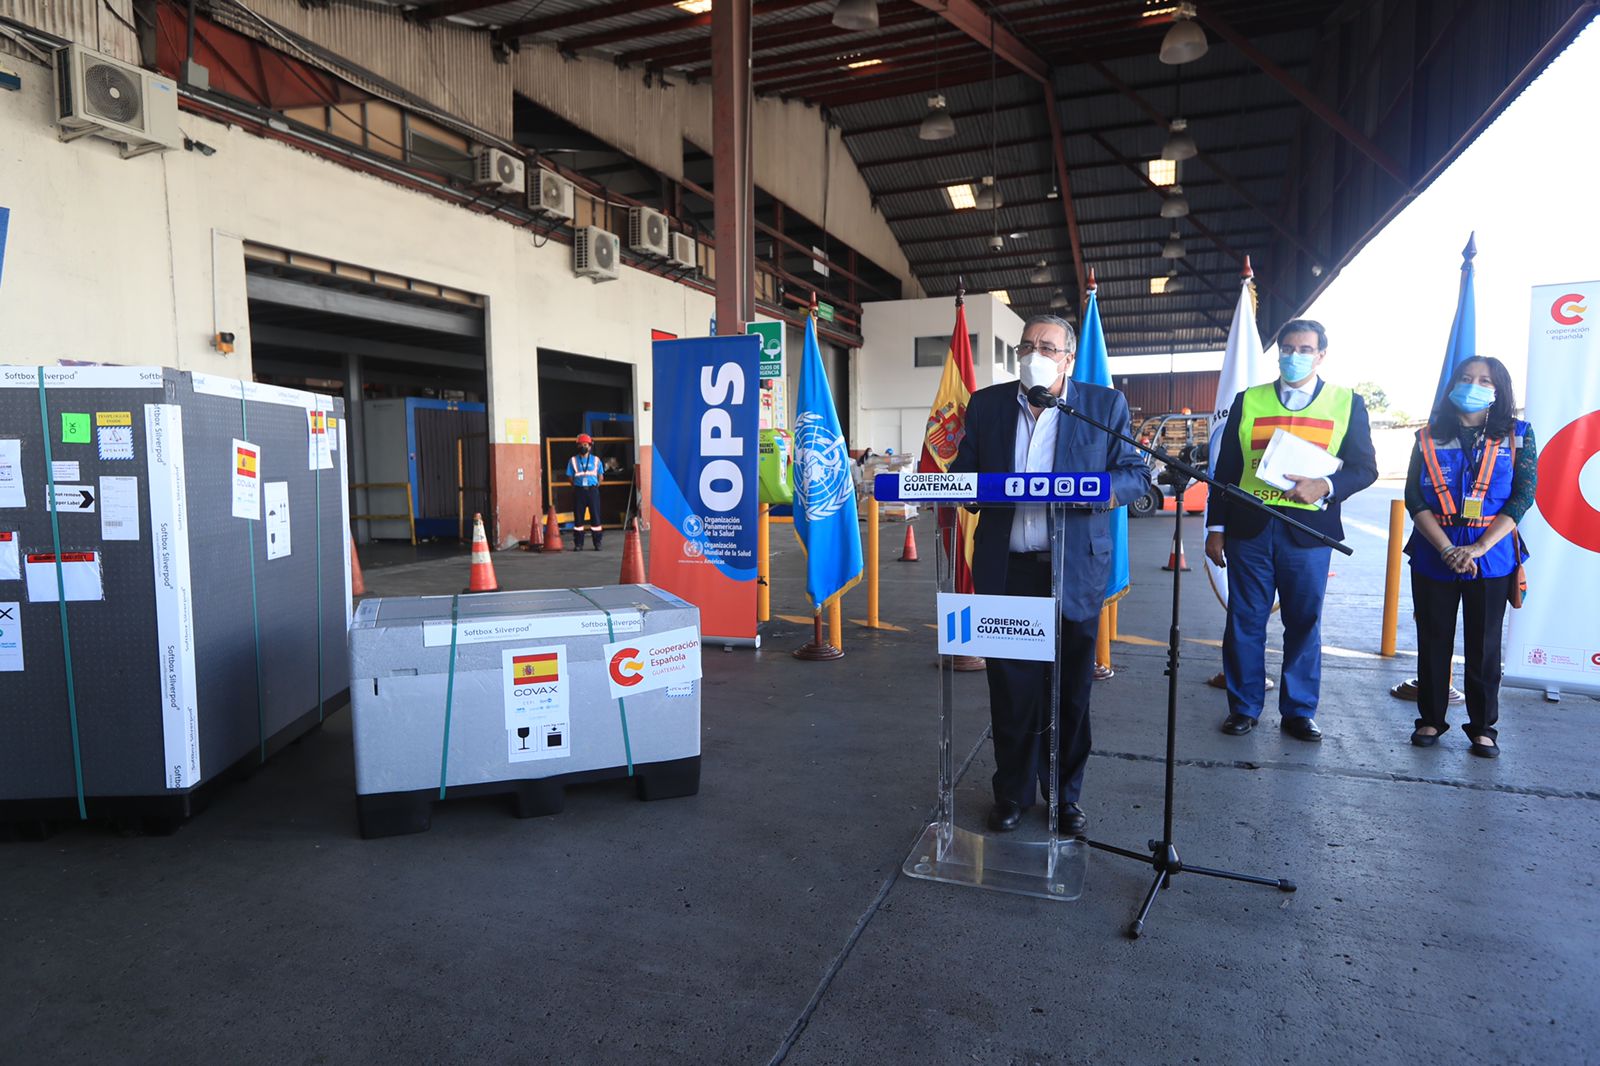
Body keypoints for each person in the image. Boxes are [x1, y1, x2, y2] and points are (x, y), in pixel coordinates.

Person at [952, 314, 1151, 835]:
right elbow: (963, 474)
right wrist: (969, 489)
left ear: (1068, 358)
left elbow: (1134, 474)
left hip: (1073, 570)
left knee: (1070, 691)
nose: (1032, 353)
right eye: (1025, 345)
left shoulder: (1103, 406)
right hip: (1008, 568)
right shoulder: (988, 404)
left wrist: (1099, 491)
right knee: (1011, 690)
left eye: (1046, 346)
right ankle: (1013, 794)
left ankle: (1065, 797)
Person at [1205, 319, 1378, 742]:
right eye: (1287, 348)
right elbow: (1225, 468)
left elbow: (1365, 468)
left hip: (1308, 532)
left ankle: (1299, 711)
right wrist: (1216, 526)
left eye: (1304, 349)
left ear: (1321, 355)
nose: (1294, 356)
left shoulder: (1346, 402)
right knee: (1245, 619)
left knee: (1304, 621)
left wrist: (1328, 485)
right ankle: (1243, 707)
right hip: (1251, 527)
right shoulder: (1250, 400)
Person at [1404, 356, 1535, 758]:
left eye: (1484, 380)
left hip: (1491, 556)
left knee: (1484, 644)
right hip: (1433, 552)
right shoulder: (1428, 436)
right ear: (1452, 385)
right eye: (1466, 378)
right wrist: (1446, 548)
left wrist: (1477, 548)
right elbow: (1415, 497)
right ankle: (1430, 718)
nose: (1473, 385)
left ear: (1499, 392)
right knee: (1433, 638)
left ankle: (1482, 727)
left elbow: (1522, 496)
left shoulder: (1518, 436)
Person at [567, 433, 604, 550]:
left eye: (585, 444)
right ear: (577, 446)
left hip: (592, 491)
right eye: (581, 445)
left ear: (590, 446)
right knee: (578, 519)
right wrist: (576, 486)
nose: (583, 447)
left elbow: (601, 476)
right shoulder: (573, 460)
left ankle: (597, 543)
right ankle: (578, 544)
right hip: (579, 491)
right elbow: (569, 477)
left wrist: (595, 486)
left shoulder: (596, 460)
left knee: (596, 518)